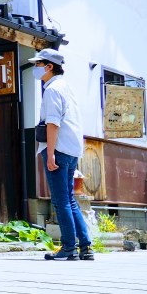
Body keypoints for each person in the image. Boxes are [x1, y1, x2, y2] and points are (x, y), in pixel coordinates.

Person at [30, 49, 92, 261]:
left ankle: (68, 248)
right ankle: (85, 247)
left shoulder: (52, 90)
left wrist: (50, 154)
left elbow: (53, 123)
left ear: (49, 67)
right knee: (69, 200)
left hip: (58, 148)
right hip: (72, 149)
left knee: (61, 200)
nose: (35, 68)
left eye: (38, 64)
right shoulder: (66, 87)